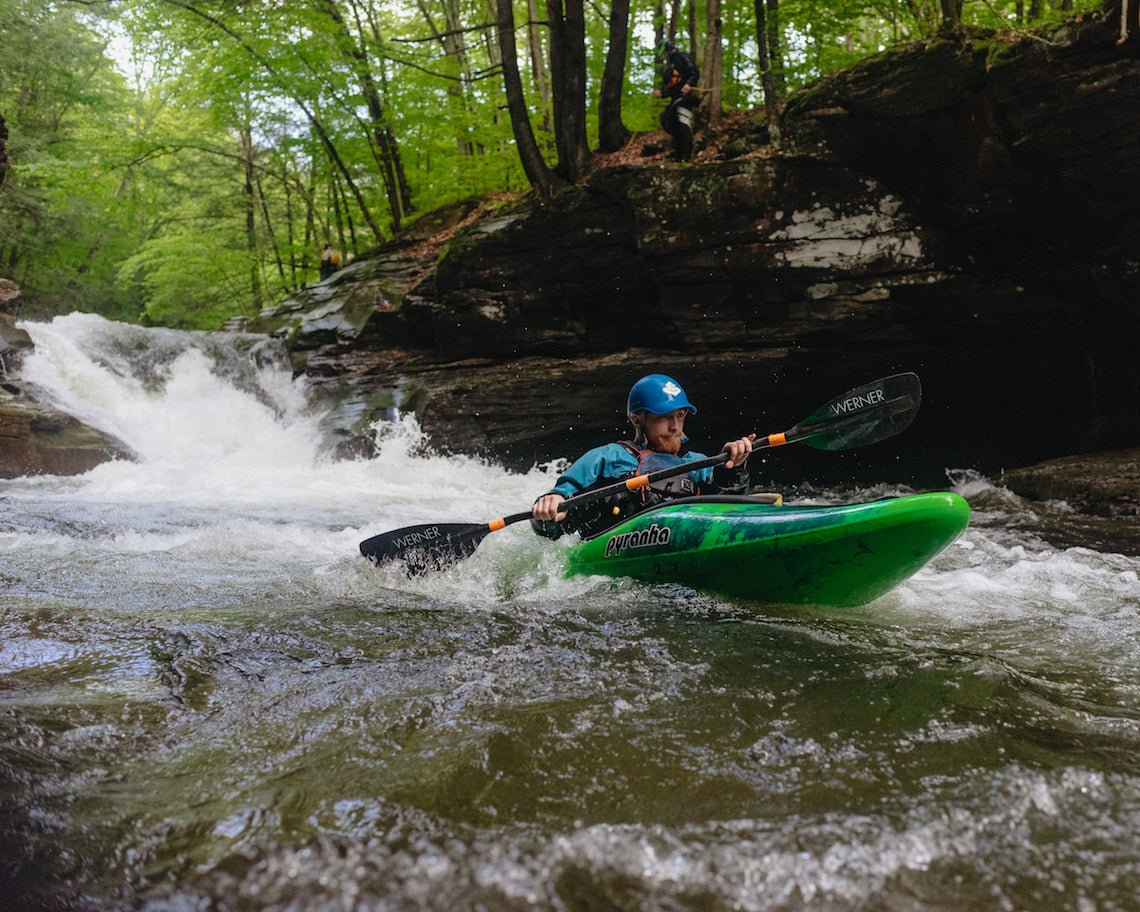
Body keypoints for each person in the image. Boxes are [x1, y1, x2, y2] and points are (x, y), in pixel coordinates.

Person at [531, 374, 755, 540]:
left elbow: (730, 507)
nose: (675, 427)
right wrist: (550, 511)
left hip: (679, 541)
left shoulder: (697, 464)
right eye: (664, 417)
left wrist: (734, 467)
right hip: (612, 557)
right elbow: (553, 521)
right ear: (637, 420)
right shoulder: (606, 458)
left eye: (680, 415)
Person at [653, 39, 701, 162]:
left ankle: (687, 156)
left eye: (665, 52)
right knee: (672, 123)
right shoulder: (672, 64)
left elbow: (694, 72)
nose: (665, 55)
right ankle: (678, 156)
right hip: (676, 99)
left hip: (686, 98)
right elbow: (673, 87)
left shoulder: (682, 57)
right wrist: (662, 93)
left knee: (683, 125)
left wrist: (689, 84)